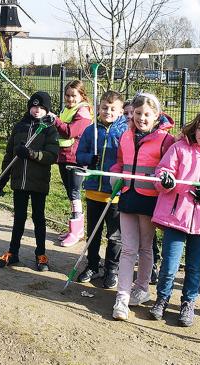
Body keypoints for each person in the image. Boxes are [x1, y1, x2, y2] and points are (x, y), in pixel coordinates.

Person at [148, 109, 200, 326]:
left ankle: (188, 303)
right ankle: (162, 299)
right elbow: (162, 172)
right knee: (169, 265)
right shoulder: (179, 149)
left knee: (194, 267)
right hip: (175, 217)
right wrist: (165, 180)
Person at [110, 93, 175, 320]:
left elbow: (171, 167)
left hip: (150, 198)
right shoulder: (126, 136)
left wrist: (166, 179)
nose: (141, 118)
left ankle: (142, 288)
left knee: (146, 248)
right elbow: (120, 162)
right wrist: (115, 175)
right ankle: (122, 297)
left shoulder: (166, 140)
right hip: (128, 195)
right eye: (137, 114)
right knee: (128, 248)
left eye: (147, 114)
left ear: (156, 116)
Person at [0, 91, 59, 272]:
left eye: (41, 108)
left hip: (38, 183)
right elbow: (9, 155)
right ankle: (13, 252)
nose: (37, 110)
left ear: (47, 110)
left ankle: (41, 253)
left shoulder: (49, 130)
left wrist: (31, 154)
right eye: (34, 106)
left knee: (39, 218)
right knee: (19, 218)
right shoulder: (19, 127)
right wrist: (2, 179)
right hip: (19, 182)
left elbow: (52, 156)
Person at [75, 91, 128, 288]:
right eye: (104, 108)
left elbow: (127, 159)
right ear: (99, 108)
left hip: (114, 192)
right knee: (93, 232)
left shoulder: (124, 132)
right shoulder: (91, 130)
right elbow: (80, 154)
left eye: (113, 109)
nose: (108, 112)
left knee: (114, 235)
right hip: (93, 190)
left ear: (121, 111)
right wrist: (90, 159)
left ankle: (112, 268)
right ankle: (92, 264)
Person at [53, 80, 92, 247]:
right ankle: (76, 229)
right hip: (64, 156)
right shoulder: (67, 110)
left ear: (81, 96)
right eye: (67, 96)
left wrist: (55, 120)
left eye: (73, 96)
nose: (69, 99)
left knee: (75, 194)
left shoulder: (83, 113)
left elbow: (71, 132)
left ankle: (76, 232)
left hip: (76, 158)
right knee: (71, 193)